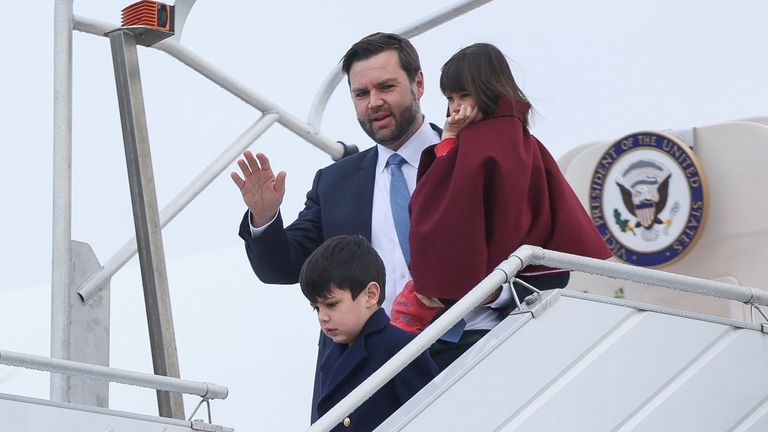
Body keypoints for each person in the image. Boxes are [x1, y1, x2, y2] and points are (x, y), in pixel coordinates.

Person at [230, 33, 514, 420]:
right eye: (361, 93)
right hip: (369, 377)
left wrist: (490, 294)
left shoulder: (479, 158)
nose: (374, 102)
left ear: (418, 84)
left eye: (386, 86)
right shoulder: (335, 182)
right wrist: (265, 218)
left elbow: (542, 257)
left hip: (479, 351)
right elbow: (283, 267)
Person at [392, 43, 612, 329]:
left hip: (492, 299)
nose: (456, 106)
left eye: (464, 95)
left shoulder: (481, 146)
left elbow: (445, 203)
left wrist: (449, 140)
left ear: (488, 89)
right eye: (450, 97)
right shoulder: (521, 139)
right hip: (532, 281)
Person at [299, 235, 438, 431]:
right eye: (317, 308)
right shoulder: (331, 359)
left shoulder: (400, 348)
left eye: (331, 304)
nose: (323, 317)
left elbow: (432, 418)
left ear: (370, 295)